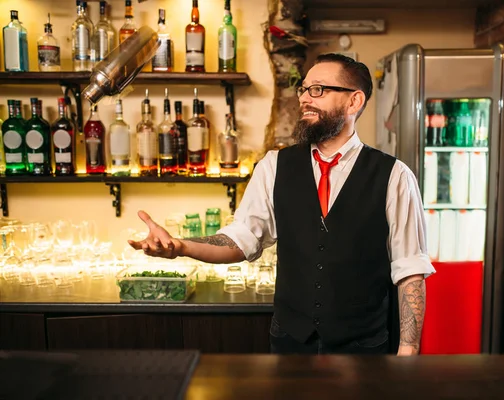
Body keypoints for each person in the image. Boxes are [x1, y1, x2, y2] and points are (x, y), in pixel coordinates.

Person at [128, 53, 435, 356]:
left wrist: (408, 351)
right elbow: (240, 239)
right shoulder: (274, 166)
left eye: (318, 90)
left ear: (353, 101)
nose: (304, 98)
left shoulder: (395, 176)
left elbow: (410, 272)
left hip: (364, 349)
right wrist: (180, 246)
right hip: (291, 345)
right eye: (303, 89)